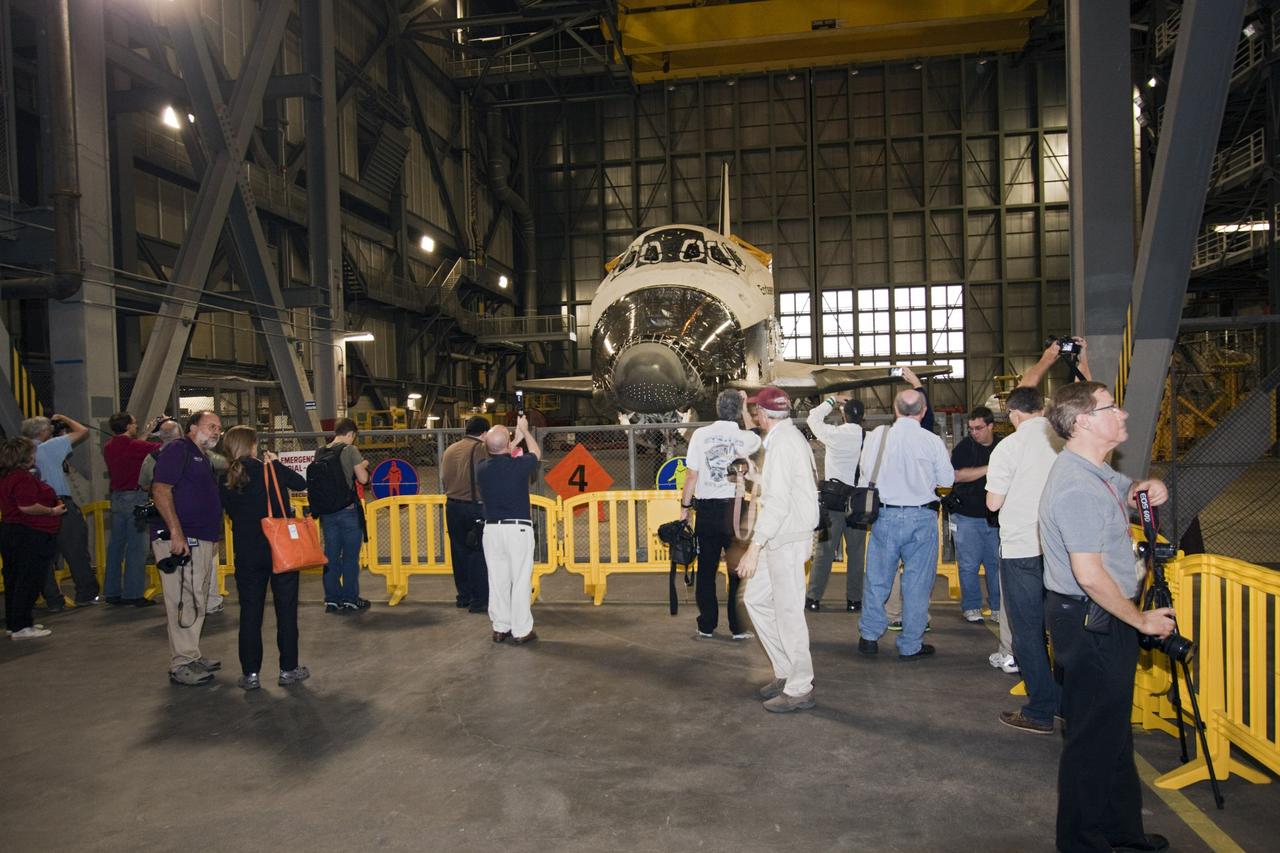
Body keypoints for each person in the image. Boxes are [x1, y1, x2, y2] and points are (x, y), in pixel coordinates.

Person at [1039, 382, 1173, 853]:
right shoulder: (1076, 487)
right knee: (1092, 740)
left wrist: (1145, 488)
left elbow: (1122, 490)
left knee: (1111, 732)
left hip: (1099, 615)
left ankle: (1121, 831)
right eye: (1111, 408)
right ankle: (1080, 842)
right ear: (1083, 422)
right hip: (1092, 618)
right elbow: (1090, 576)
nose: (1123, 414)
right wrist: (1141, 621)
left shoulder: (1093, 470)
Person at [734, 386, 818, 713]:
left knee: (788, 613)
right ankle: (786, 671)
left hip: (786, 538)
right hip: (781, 536)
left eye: (756, 411)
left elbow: (779, 503)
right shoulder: (786, 439)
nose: (755, 416)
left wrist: (754, 548)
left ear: (763, 415)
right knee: (756, 599)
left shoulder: (783, 444)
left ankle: (800, 687)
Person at [986, 386, 1063, 731]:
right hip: (1060, 549)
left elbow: (993, 503)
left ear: (1014, 414)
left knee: (1027, 631)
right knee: (1062, 628)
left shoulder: (1009, 447)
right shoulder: (1063, 440)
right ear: (1042, 409)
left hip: (1021, 550)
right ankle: (1065, 701)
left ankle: (1040, 709)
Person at [856, 388, 954, 659]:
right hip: (922, 518)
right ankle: (911, 644)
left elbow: (865, 473)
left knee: (877, 579)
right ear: (923, 412)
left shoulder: (877, 436)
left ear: (895, 409)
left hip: (885, 516)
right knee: (917, 584)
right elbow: (946, 481)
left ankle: (869, 636)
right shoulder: (932, 441)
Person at [219, 425, 310, 691]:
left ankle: (250, 674)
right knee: (286, 611)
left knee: (250, 613)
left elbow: (230, 510)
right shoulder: (270, 469)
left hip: (247, 552)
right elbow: (300, 483)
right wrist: (277, 464)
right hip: (279, 549)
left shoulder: (225, 477)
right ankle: (288, 669)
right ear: (253, 445)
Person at [679, 389, 762, 640]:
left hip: (707, 510)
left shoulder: (699, 435)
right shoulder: (744, 437)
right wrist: (745, 408)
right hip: (735, 510)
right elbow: (756, 435)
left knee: (706, 569)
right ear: (737, 411)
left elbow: (691, 476)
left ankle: (706, 624)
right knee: (737, 570)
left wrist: (684, 509)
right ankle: (738, 626)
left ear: (717, 408)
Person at [151, 410, 225, 686]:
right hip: (183, 539)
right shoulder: (178, 450)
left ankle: (191, 654)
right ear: (192, 427)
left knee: (197, 597)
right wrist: (176, 532)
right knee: (184, 600)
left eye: (218, 427)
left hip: (201, 538)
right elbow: (161, 489)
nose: (216, 431)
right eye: (210, 426)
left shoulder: (201, 456)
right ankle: (182, 663)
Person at [21, 414, 100, 608]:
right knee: (75, 550)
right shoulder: (50, 446)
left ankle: (53, 599)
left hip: (32, 508)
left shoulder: (20, 451)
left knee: (43, 556)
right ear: (43, 431)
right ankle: (86, 594)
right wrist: (64, 418)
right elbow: (82, 431)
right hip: (59, 504)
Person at [476, 416, 542, 644]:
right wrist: (525, 432)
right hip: (517, 530)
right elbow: (536, 453)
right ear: (507, 445)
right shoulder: (518, 466)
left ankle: (500, 627)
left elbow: (499, 452)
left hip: (492, 531)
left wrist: (514, 439)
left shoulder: (482, 468)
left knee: (497, 581)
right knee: (521, 579)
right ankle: (521, 630)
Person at [805, 393, 866, 613]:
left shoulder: (835, 434)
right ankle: (854, 601)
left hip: (833, 502)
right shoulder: (867, 438)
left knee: (825, 551)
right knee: (857, 553)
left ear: (844, 415)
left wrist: (832, 400)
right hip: (859, 503)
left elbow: (812, 418)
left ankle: (813, 598)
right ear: (863, 418)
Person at [0, 437, 65, 640]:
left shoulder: (7, 476)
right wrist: (52, 511)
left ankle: (14, 622)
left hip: (12, 531)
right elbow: (27, 506)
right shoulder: (22, 478)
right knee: (28, 580)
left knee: (14, 579)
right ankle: (22, 626)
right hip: (29, 533)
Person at [311, 418, 370, 613]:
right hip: (348, 511)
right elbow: (363, 479)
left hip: (327, 513)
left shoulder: (320, 451)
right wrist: (363, 464)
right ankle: (350, 599)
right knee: (350, 558)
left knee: (331, 557)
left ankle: (332, 600)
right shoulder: (350, 450)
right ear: (351, 434)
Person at [101, 412, 160, 607]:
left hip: (117, 498)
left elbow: (133, 446)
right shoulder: (135, 446)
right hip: (135, 497)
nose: (136, 426)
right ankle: (133, 594)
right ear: (127, 426)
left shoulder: (109, 446)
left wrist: (147, 432)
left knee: (116, 546)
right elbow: (160, 449)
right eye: (134, 424)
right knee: (137, 547)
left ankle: (112, 591)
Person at [949, 406, 1001, 623]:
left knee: (995, 566)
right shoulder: (964, 448)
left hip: (995, 519)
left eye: (978, 428)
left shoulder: (1003, 447)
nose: (974, 432)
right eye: (971, 429)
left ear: (991, 426)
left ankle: (998, 607)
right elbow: (957, 476)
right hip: (966, 516)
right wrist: (990, 468)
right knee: (968, 565)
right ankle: (971, 606)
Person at [441, 416, 491, 612]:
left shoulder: (450, 449)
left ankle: (464, 596)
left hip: (452, 506)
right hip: (474, 507)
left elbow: (444, 478)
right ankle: (479, 600)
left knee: (459, 552)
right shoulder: (481, 448)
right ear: (484, 433)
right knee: (478, 554)